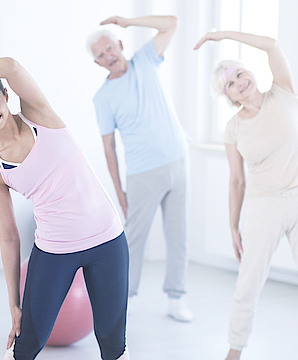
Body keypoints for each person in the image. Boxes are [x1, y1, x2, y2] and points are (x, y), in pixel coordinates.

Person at [0, 58, 129, 360]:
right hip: (54, 252)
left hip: (108, 241)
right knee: (25, 345)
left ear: (6, 96)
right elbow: (9, 237)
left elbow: (11, 66)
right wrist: (13, 304)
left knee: (113, 345)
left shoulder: (39, 115)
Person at [194, 31, 298, 360]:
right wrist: (233, 226)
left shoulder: (283, 93)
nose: (239, 81)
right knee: (248, 285)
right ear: (230, 97)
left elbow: (271, 45)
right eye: (230, 83)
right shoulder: (233, 128)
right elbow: (237, 181)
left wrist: (219, 35)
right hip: (263, 206)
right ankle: (234, 351)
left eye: (240, 72)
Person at [86, 15, 192, 321]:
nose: (109, 56)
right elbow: (109, 147)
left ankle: (176, 297)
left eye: (110, 48)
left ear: (119, 44)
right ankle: (121, 302)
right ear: (97, 64)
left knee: (178, 234)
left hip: (179, 160)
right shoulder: (102, 98)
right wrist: (118, 189)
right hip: (143, 173)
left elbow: (172, 22)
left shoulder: (146, 58)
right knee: (133, 241)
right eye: (101, 56)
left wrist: (130, 21)